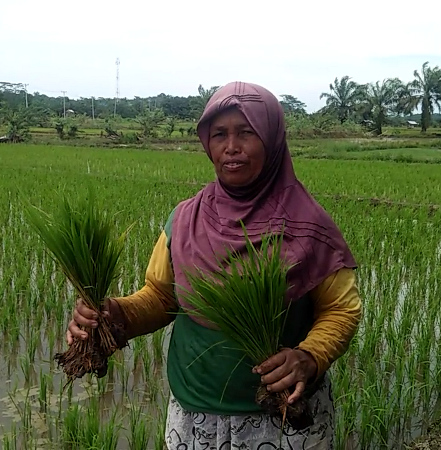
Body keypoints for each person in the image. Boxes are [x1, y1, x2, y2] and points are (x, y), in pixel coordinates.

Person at [66, 81, 363, 449]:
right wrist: (113, 316)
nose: (231, 147)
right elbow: (161, 297)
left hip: (282, 416)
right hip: (196, 413)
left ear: (272, 140)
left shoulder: (309, 225)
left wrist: (310, 356)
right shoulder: (186, 218)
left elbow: (340, 309)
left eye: (246, 133)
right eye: (219, 134)